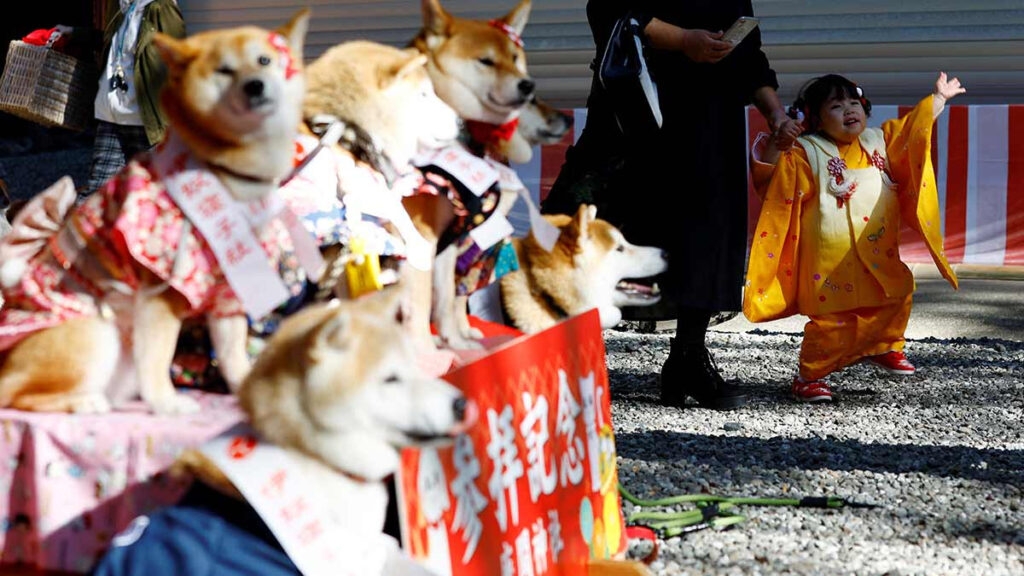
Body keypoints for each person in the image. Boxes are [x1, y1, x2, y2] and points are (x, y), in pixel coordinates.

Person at [543, 1, 800, 410]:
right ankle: (553, 359)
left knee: (706, 230)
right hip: (636, 107)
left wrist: (775, 114)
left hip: (711, 114)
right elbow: (606, 8)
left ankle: (688, 357)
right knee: (592, 226)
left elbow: (748, 48)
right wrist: (683, 40)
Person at [744, 72, 965, 402]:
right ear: (814, 118)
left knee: (896, 297)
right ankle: (810, 375)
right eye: (836, 105)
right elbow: (776, 181)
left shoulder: (879, 140)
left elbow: (912, 131)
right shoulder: (807, 151)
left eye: (854, 103)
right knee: (833, 321)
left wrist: (937, 100)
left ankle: (884, 346)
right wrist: (779, 143)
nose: (849, 110)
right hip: (830, 260)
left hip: (878, 248)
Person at [82, 0, 185, 199]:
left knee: (156, 193)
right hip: (111, 113)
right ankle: (78, 230)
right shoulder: (119, 6)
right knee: (98, 192)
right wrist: (73, 34)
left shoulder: (161, 7)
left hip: (145, 120)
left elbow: (178, 58)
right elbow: (108, 42)